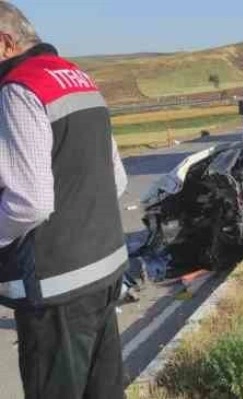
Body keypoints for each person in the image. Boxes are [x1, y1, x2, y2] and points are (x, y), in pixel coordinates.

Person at [0, 2, 128, 398]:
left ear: (4, 42)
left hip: (54, 288)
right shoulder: (77, 78)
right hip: (104, 273)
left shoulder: (18, 89)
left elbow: (30, 201)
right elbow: (118, 179)